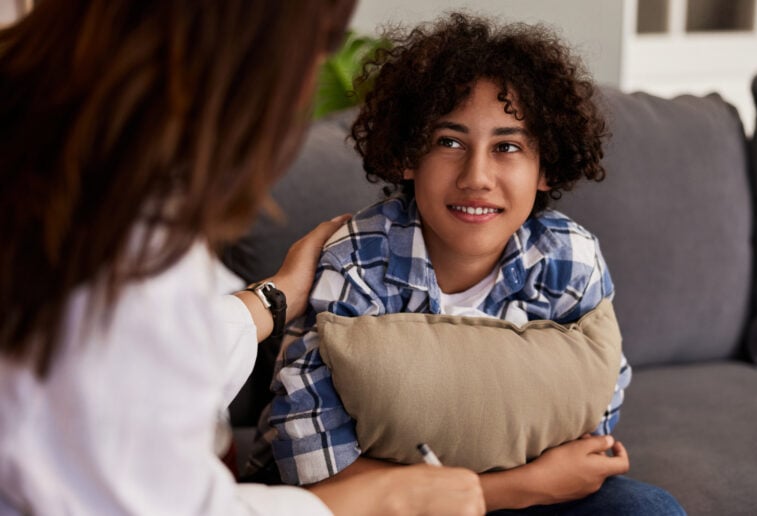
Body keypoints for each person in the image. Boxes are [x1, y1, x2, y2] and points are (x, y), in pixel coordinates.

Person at [0, 1, 487, 515]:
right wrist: (372, 500)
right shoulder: (124, 247)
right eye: (316, 51)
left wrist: (274, 298)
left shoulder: (54, 162)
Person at [253, 12, 686, 515]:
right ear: (409, 155)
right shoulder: (354, 263)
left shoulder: (571, 260)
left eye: (507, 147)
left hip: (529, 491)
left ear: (544, 167)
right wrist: (516, 488)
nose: (477, 176)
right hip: (370, 502)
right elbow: (314, 468)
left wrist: (533, 484)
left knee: (648, 509)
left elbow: (588, 421)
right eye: (450, 142)